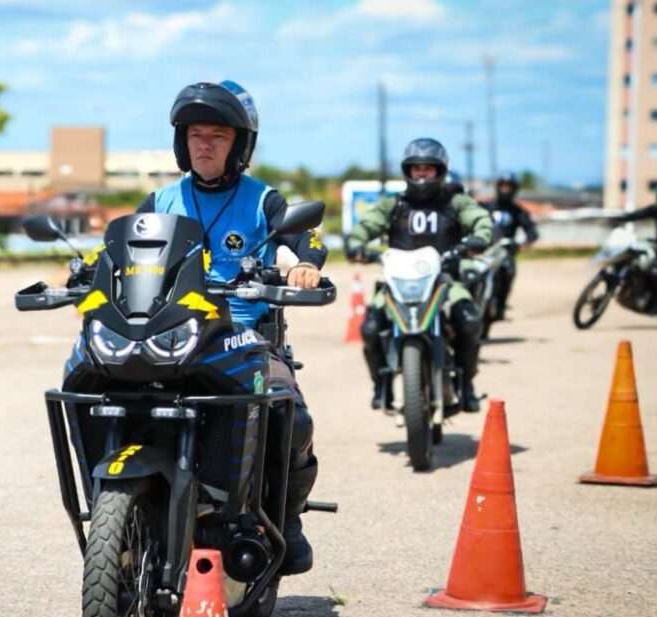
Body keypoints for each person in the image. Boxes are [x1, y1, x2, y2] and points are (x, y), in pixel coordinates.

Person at [135, 80, 327, 576]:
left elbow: (305, 240)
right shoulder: (159, 201)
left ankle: (286, 517)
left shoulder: (263, 200)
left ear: (239, 144)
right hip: (168, 333)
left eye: (217, 135)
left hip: (245, 337)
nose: (204, 144)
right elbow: (122, 255)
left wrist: (302, 265)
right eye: (196, 134)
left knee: (293, 419)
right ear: (182, 141)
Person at [345, 138, 494, 413]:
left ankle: (466, 385)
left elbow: (481, 221)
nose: (422, 174)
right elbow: (365, 227)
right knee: (369, 328)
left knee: (470, 321)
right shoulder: (393, 204)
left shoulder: (457, 202)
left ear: (441, 171)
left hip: (445, 282)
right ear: (407, 171)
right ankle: (380, 384)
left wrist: (477, 239)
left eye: (429, 168)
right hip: (396, 283)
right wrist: (358, 244)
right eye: (416, 168)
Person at [481, 171, 539, 319]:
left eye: (508, 186)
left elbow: (531, 231)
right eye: (503, 186)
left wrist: (524, 243)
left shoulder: (518, 211)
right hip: (485, 250)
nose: (505, 190)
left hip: (506, 252)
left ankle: (501, 305)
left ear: (514, 189)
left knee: (509, 271)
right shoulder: (486, 207)